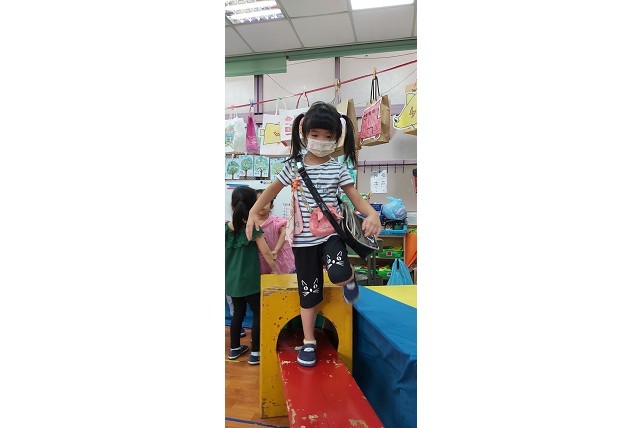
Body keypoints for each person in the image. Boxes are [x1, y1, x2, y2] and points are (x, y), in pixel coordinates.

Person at [246, 102, 381, 367]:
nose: (321, 140)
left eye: (328, 136)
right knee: (309, 292)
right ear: (304, 133)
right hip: (302, 240)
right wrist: (252, 211)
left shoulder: (338, 167)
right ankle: (309, 341)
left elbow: (355, 198)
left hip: (330, 234)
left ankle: (349, 279)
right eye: (315, 134)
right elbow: (271, 190)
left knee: (339, 273)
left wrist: (372, 214)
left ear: (337, 138)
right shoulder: (293, 166)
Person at [226, 186, 278, 365]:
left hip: (231, 282)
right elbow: (266, 253)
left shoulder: (224, 228)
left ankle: (234, 349)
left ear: (232, 206)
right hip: (251, 282)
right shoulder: (253, 227)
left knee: (237, 314)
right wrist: (276, 270)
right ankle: (255, 352)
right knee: (258, 313)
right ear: (254, 206)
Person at [255, 189, 296, 275]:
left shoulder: (275, 221)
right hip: (259, 262)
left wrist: (276, 250)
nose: (261, 204)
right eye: (258, 201)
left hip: (278, 259)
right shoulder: (250, 224)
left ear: (271, 206)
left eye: (265, 202)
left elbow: (284, 232)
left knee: (280, 280)